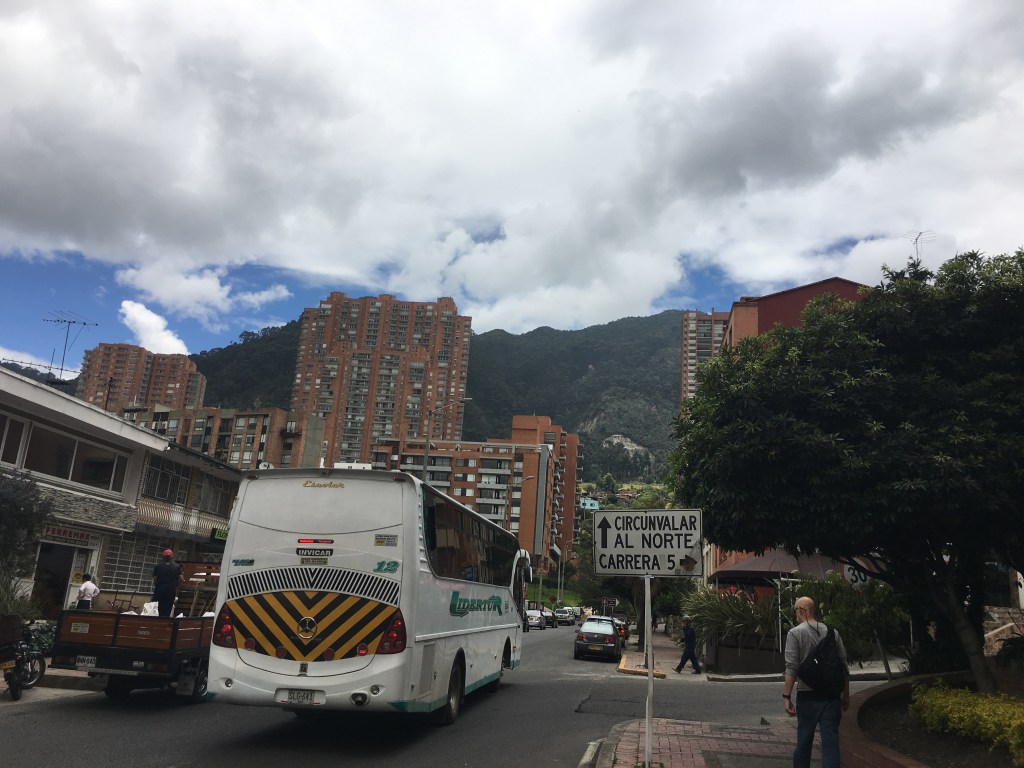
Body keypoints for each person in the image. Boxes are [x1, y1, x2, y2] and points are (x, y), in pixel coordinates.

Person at [783, 596, 850, 768]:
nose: (796, 615)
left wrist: (786, 696)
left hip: (807, 696)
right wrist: (846, 694)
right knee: (831, 743)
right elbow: (843, 665)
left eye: (796, 611)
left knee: (804, 742)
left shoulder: (795, 633)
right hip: (831, 696)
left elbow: (791, 667)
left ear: (801, 611)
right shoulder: (833, 632)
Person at [152, 549, 183, 618]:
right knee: (168, 607)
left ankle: (156, 621)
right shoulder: (176, 566)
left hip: (159, 589)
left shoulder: (158, 566)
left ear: (163, 556)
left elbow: (155, 578)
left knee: (157, 607)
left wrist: (156, 585)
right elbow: (181, 578)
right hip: (171, 590)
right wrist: (177, 585)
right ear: (172, 556)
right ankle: (165, 622)